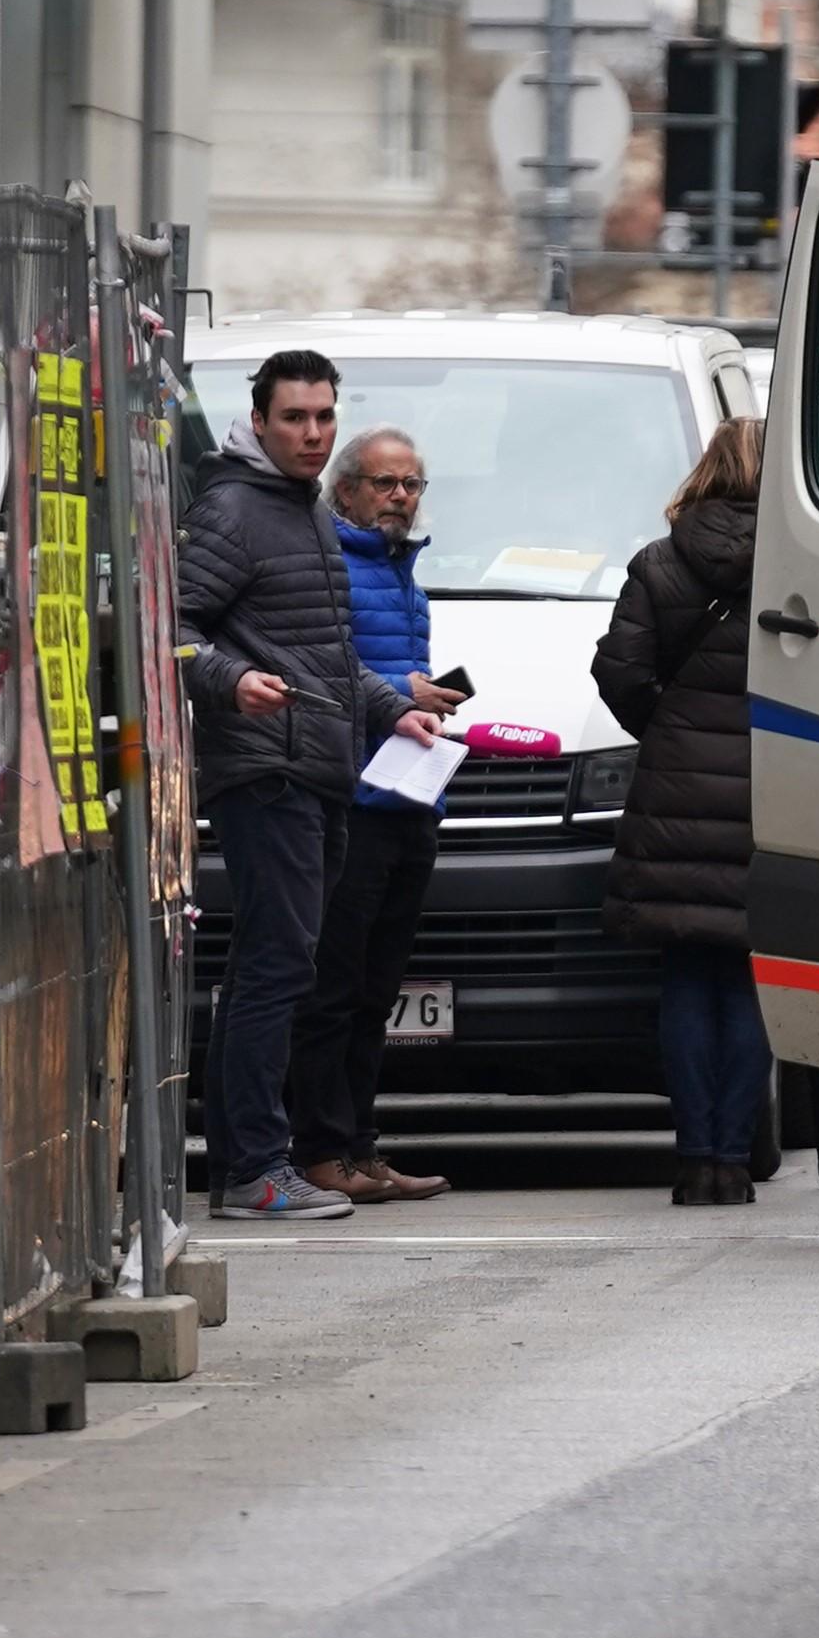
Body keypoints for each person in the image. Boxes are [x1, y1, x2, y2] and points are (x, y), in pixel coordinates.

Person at [183, 351, 437, 1223]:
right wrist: (227, 681)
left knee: (285, 968)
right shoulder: (232, 510)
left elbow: (327, 657)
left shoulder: (308, 512)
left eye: (325, 417)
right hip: (268, 771)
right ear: (259, 423)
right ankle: (254, 1169)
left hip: (322, 766)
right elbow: (170, 629)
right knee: (274, 968)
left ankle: (251, 1167)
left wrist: (389, 708)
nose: (313, 433)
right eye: (295, 418)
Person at [594, 418, 783, 1207]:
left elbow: (620, 673)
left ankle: (693, 1155)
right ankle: (734, 1163)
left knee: (684, 979)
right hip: (769, 792)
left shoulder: (659, 564)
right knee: (748, 981)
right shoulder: (794, 571)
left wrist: (667, 731)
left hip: (673, 796)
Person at [283, 428, 462, 1206]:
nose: (399, 498)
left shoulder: (404, 576)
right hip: (350, 803)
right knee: (335, 986)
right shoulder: (332, 566)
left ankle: (361, 1149)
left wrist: (424, 698)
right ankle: (321, 1148)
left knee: (374, 990)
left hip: (409, 801)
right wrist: (405, 690)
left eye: (412, 485)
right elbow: (323, 668)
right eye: (385, 484)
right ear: (346, 489)